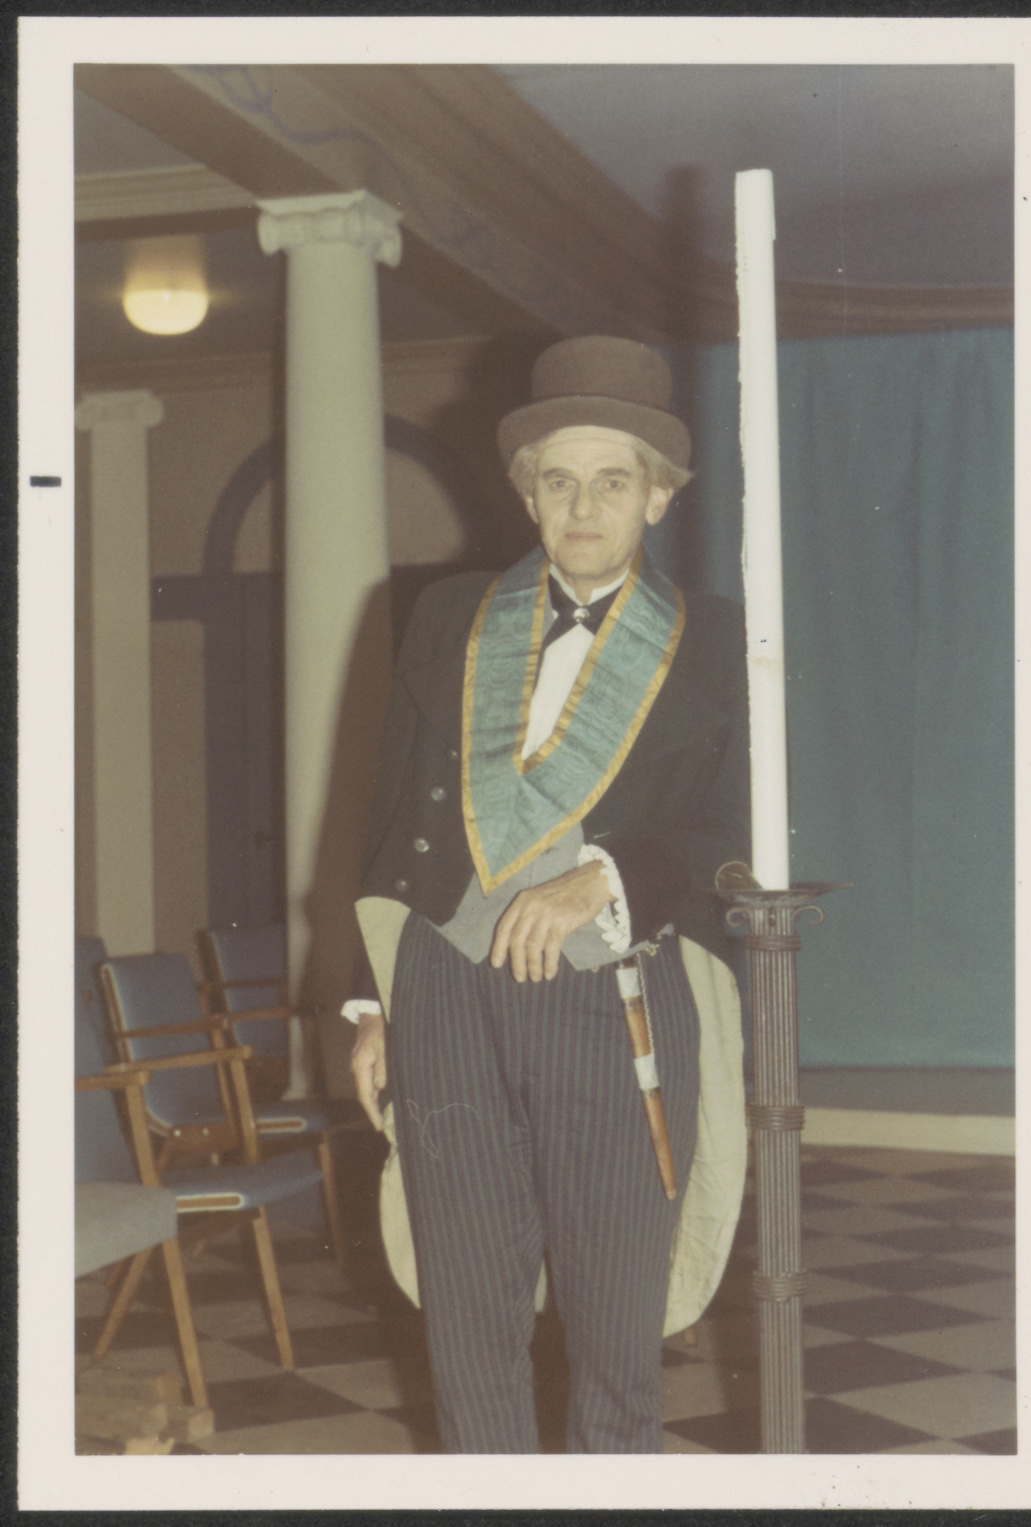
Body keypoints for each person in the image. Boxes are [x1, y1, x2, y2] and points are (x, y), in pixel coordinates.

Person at [343, 335, 751, 1453]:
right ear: (527, 494)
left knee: (617, 1325)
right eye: (559, 480)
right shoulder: (449, 615)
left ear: (658, 495)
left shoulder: (719, 638)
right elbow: (386, 818)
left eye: (613, 481)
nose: (583, 506)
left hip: (613, 991)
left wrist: (598, 879)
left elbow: (737, 833)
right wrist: (372, 1004)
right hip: (444, 988)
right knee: (467, 1319)